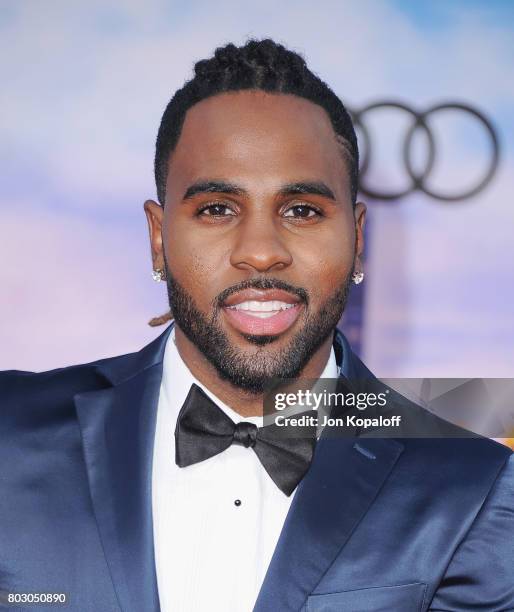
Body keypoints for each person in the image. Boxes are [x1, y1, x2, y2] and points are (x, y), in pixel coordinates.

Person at [0, 39, 513, 612]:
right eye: (217, 208)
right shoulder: (8, 435)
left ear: (359, 238)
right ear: (159, 237)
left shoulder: (473, 490)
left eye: (302, 210)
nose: (262, 253)